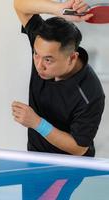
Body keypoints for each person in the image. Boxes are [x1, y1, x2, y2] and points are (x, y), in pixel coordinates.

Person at [12, 0, 105, 157]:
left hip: (68, 166)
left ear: (72, 58)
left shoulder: (90, 93)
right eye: (36, 54)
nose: (39, 65)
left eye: (48, 60)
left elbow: (79, 148)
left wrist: (36, 123)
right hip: (34, 158)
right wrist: (58, 9)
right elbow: (19, 5)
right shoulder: (43, 44)